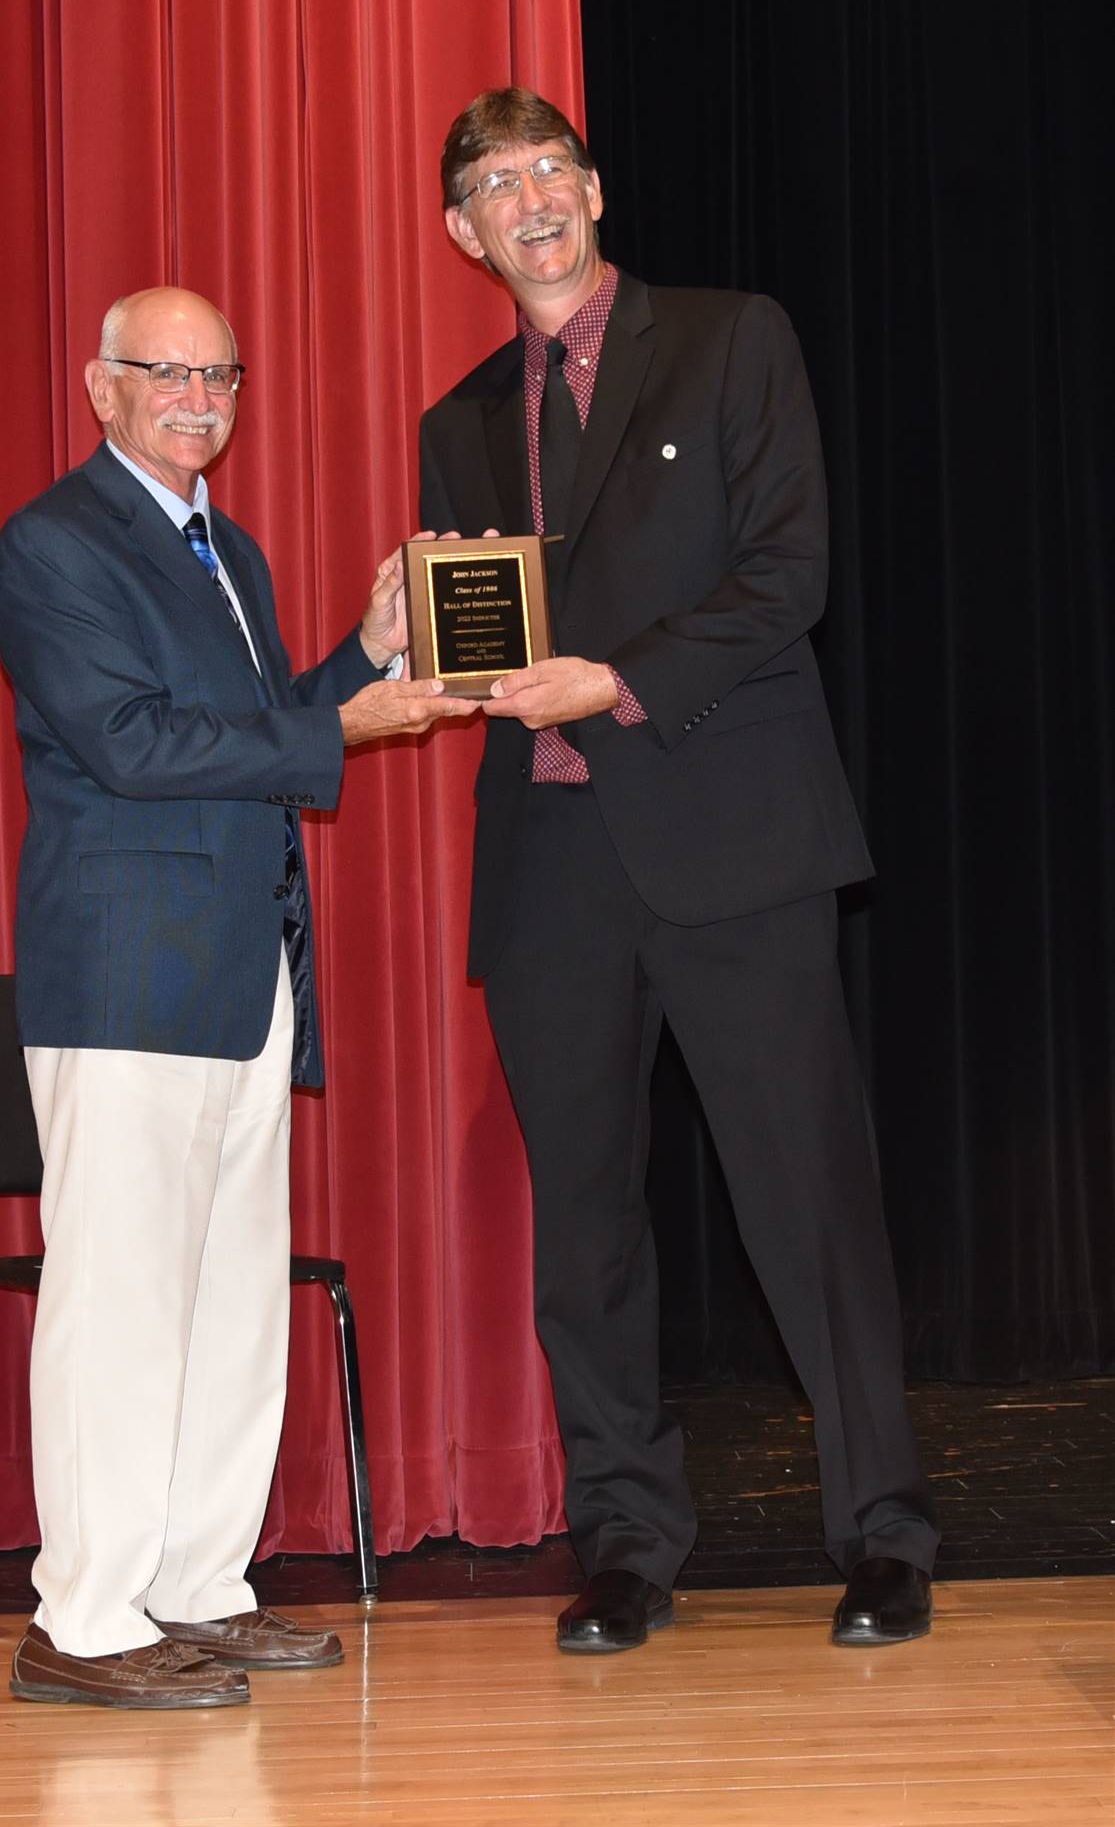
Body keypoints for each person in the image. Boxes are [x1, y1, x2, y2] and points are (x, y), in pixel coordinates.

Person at [419, 89, 939, 1653]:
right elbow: (483, 644)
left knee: (810, 1202)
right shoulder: (456, 425)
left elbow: (790, 573)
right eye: (495, 187)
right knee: (585, 1234)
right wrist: (434, 647)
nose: (530, 201)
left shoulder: (728, 339)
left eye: (549, 169)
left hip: (734, 840)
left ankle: (886, 1535)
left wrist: (616, 678)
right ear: (463, 235)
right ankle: (631, 1545)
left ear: (593, 185)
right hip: (551, 866)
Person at [0, 285, 472, 1709]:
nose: (199, 399)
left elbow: (258, 741)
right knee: (121, 1302)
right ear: (101, 386)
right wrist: (341, 721)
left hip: (241, 971)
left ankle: (198, 1588)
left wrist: (372, 654)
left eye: (222, 376)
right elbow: (134, 746)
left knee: (222, 1302)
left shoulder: (229, 549)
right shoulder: (56, 541)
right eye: (168, 374)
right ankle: (81, 1622)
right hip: (127, 969)